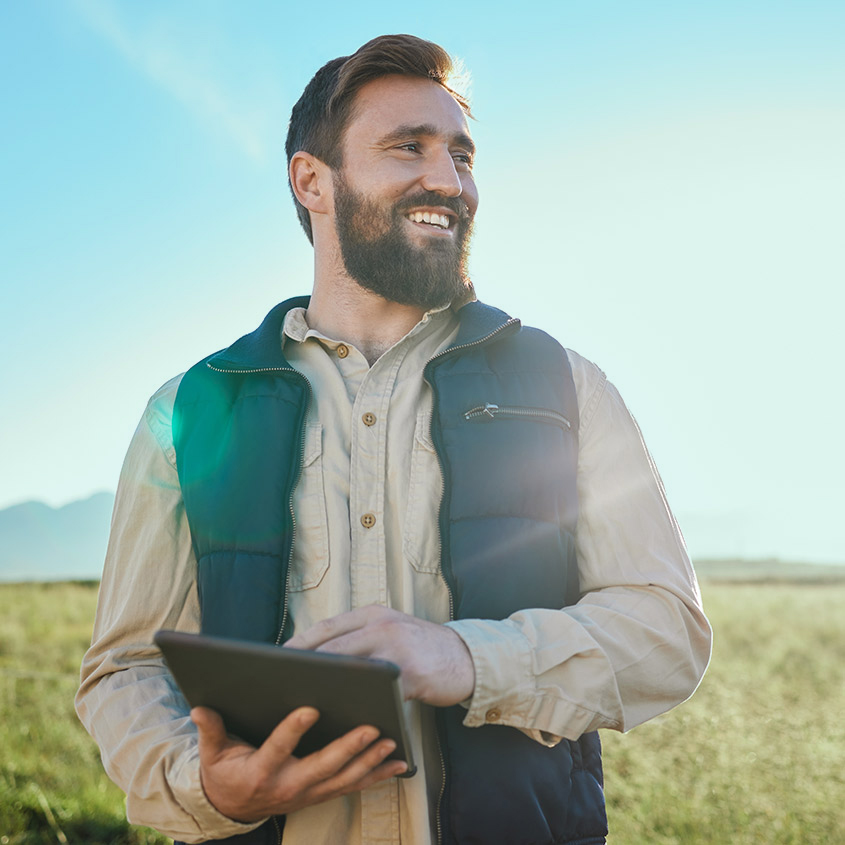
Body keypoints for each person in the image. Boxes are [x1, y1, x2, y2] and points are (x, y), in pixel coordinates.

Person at [76, 34, 712, 845]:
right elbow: (125, 670)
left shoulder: (564, 385)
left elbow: (666, 633)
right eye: (406, 147)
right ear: (313, 180)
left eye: (460, 154)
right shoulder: (191, 409)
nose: (447, 180)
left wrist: (469, 659)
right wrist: (202, 785)